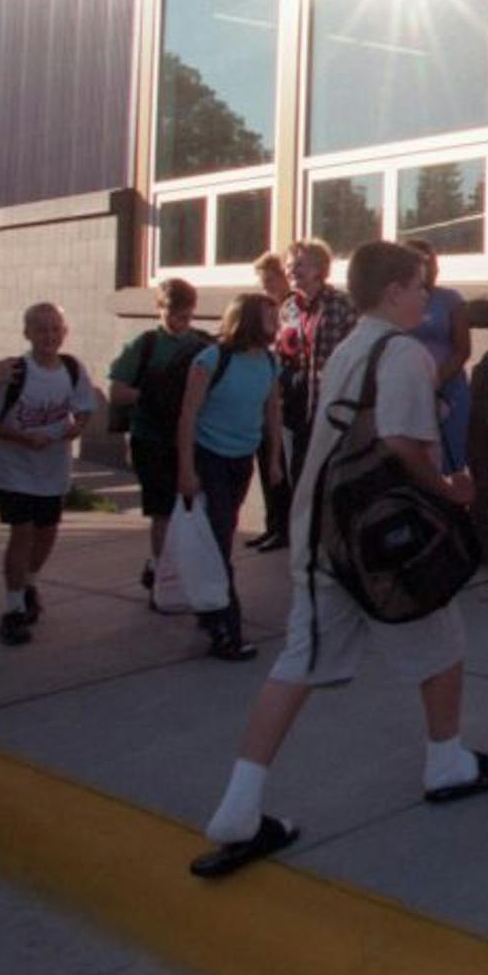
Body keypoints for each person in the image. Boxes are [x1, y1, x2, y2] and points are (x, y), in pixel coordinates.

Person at [191, 240, 488, 878]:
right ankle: (446, 759)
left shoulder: (351, 348)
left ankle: (241, 802)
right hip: (382, 545)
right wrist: (452, 491)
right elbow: (401, 443)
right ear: (394, 291)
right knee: (442, 641)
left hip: (323, 534)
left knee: (299, 660)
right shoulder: (406, 356)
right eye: (419, 286)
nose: (426, 296)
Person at [0, 302, 100, 647]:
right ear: (27, 333)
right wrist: (22, 438)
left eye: (56, 329)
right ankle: (12, 609)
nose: (49, 336)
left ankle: (29, 583)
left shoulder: (71, 369)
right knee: (22, 531)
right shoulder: (13, 372)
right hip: (15, 467)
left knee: (47, 530)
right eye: (41, 329)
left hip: (52, 467)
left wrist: (76, 428)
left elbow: (85, 408)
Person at [175, 293, 285, 662]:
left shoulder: (270, 361)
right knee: (219, 542)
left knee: (218, 536)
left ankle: (210, 612)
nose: (276, 320)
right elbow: (188, 417)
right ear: (250, 318)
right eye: (270, 314)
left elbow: (272, 410)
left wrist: (273, 460)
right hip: (210, 460)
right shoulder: (211, 360)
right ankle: (226, 629)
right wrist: (187, 470)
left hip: (241, 460)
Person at [107, 279, 211, 605]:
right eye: (173, 314)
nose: (180, 322)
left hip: (190, 439)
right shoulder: (146, 345)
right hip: (151, 437)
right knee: (162, 511)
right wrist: (151, 394)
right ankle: (162, 575)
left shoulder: (202, 346)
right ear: (159, 309)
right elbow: (117, 391)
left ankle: (171, 568)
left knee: (192, 508)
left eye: (186, 315)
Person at [257, 239, 357, 554]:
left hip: (328, 401)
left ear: (320, 269)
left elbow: (353, 354)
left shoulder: (341, 304)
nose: (292, 270)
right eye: (289, 265)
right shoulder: (287, 307)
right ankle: (302, 539)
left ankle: (330, 540)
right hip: (292, 401)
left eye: (300, 264)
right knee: (295, 473)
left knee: (326, 473)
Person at [402, 238, 473, 472]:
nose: (428, 269)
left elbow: (463, 349)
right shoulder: (395, 300)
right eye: (421, 262)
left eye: (431, 262)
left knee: (449, 457)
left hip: (448, 389)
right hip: (407, 388)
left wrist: (435, 381)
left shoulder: (450, 299)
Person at [244, 251, 296, 552]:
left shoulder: (292, 308)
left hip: (286, 395)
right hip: (265, 392)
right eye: (262, 284)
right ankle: (272, 525)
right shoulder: (267, 308)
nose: (266, 289)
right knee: (266, 462)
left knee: (280, 464)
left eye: (270, 282)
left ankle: (285, 527)